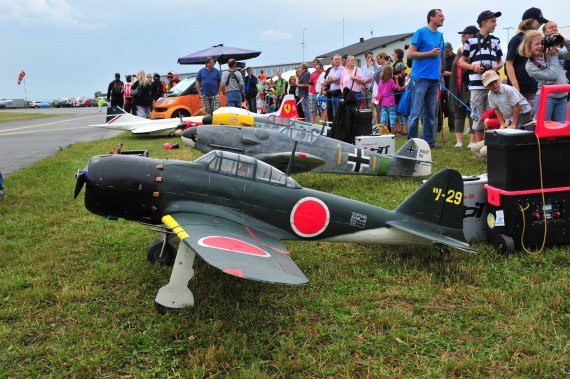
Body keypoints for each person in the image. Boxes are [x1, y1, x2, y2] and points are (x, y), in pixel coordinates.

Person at [460, 10, 503, 144]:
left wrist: (497, 67)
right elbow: (462, 62)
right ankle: (479, 147)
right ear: (484, 23)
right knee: (478, 116)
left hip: (493, 85)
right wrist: (473, 67)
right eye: (493, 21)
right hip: (477, 85)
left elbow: (501, 61)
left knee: (493, 115)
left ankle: (491, 146)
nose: (495, 24)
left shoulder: (496, 41)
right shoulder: (470, 41)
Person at [406, 9, 445, 147]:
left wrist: (439, 73)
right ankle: (412, 142)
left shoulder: (440, 35)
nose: (443, 18)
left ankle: (428, 142)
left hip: (434, 79)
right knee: (416, 112)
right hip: (420, 78)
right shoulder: (420, 32)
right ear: (432, 17)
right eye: (440, 16)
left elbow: (439, 56)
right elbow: (410, 54)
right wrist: (429, 53)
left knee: (430, 113)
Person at [519, 30, 570, 122]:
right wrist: (554, 55)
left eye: (542, 42)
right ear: (528, 46)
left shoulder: (549, 51)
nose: (540, 46)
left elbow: (568, 55)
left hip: (562, 96)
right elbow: (553, 75)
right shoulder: (530, 65)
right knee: (544, 129)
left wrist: (565, 42)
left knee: (560, 131)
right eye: (536, 44)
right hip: (547, 98)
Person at [505, 8, 548, 114]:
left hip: (534, 87)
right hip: (520, 88)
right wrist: (515, 85)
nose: (541, 24)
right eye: (539, 21)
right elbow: (509, 63)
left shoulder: (538, 41)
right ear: (529, 21)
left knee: (534, 118)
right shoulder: (516, 39)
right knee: (520, 118)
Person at [449, 25, 478, 148]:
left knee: (471, 113)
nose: (462, 37)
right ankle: (459, 141)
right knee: (458, 113)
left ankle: (472, 141)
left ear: (471, 35)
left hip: (470, 86)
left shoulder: (475, 49)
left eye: (464, 34)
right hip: (457, 87)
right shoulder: (459, 50)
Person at [375, 65, 406, 132]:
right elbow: (396, 88)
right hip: (391, 103)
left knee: (383, 116)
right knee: (392, 116)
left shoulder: (380, 82)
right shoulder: (391, 81)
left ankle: (383, 131)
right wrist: (397, 80)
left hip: (383, 103)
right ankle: (392, 131)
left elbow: (379, 92)